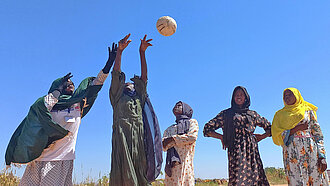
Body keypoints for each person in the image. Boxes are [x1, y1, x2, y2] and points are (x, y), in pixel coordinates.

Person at [5, 43, 117, 186]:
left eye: (72, 83)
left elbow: (95, 85)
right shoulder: (48, 104)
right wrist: (57, 90)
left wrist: (108, 64)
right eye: (66, 83)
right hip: (38, 160)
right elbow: (39, 107)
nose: (70, 84)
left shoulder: (79, 105)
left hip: (60, 161)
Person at [203, 86, 271, 186]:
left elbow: (270, 128)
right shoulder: (226, 114)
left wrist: (262, 136)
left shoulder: (252, 114)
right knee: (238, 177)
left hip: (251, 149)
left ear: (246, 97)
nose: (239, 96)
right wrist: (222, 137)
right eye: (236, 95)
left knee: (255, 175)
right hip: (235, 148)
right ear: (233, 98)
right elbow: (207, 129)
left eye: (241, 95)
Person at [109, 34, 153, 186]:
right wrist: (119, 52)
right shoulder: (116, 97)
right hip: (122, 137)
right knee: (123, 173)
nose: (129, 83)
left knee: (139, 172)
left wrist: (142, 52)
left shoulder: (139, 98)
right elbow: (115, 75)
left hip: (138, 139)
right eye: (126, 82)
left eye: (132, 83)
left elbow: (144, 78)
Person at [271, 88, 329, 185]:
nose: (287, 97)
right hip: (291, 154)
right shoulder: (279, 115)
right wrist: (296, 129)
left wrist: (322, 156)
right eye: (285, 95)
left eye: (290, 94)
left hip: (311, 152)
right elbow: (276, 134)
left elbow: (318, 134)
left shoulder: (308, 111)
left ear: (297, 96)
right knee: (296, 180)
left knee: (315, 179)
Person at [162, 101, 198, 186]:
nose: (176, 107)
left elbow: (191, 137)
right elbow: (163, 146)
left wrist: (172, 139)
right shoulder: (169, 129)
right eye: (175, 105)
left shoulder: (192, 122)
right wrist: (178, 140)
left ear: (186, 109)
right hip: (171, 165)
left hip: (185, 163)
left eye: (179, 105)